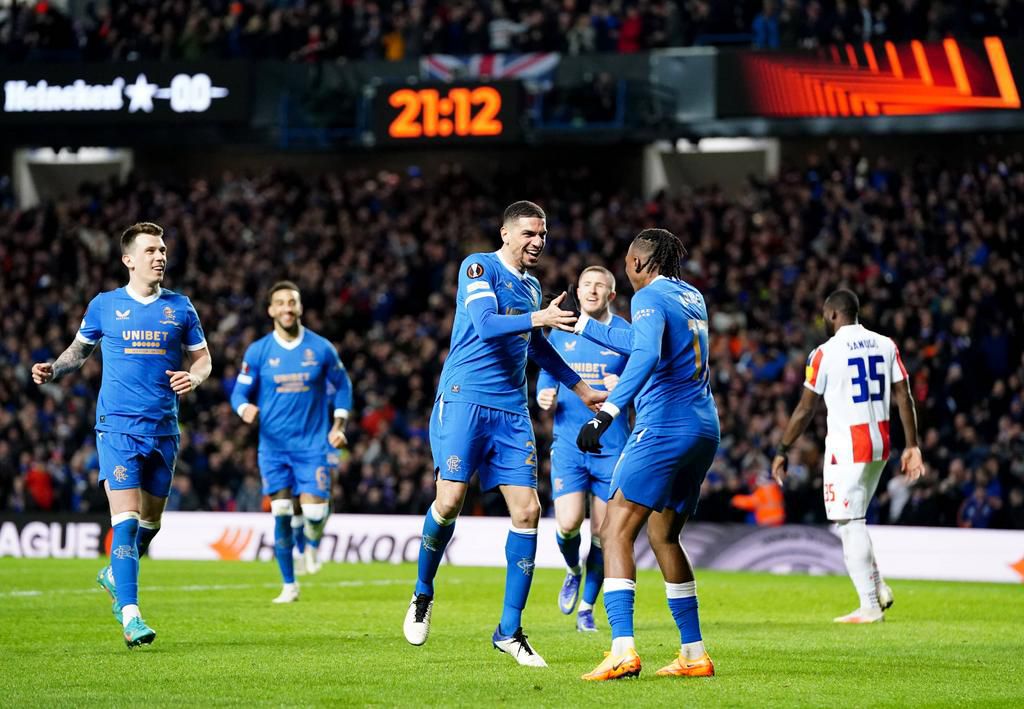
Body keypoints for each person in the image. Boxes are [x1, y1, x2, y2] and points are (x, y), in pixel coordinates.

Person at [402, 200, 606, 667]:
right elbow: (486, 324)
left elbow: (535, 347)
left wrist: (581, 387)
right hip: (464, 399)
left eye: (543, 235)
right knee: (450, 500)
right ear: (507, 233)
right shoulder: (479, 267)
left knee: (529, 511)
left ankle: (509, 631)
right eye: (530, 233)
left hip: (511, 411)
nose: (538, 242)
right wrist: (539, 319)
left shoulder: (532, 287)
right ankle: (422, 592)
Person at [32, 222, 211, 648]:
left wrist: (195, 378)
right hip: (117, 429)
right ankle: (131, 615)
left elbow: (203, 359)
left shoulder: (181, 307)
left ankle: (114, 574)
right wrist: (54, 367)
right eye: (151, 250)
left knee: (151, 523)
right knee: (126, 523)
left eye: (163, 249)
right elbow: (80, 350)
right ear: (128, 259)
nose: (160, 256)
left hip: (164, 429)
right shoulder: (105, 306)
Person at [573, 228, 720, 681]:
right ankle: (694, 654)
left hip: (664, 426)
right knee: (664, 536)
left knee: (614, 527)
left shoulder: (647, 298)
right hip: (703, 427)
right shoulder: (690, 295)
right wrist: (582, 326)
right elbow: (649, 346)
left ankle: (621, 650)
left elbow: (646, 358)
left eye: (627, 261)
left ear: (639, 263)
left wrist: (608, 413)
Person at [772, 288, 925, 623]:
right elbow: (904, 396)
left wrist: (783, 448)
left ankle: (869, 604)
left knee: (849, 523)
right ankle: (879, 587)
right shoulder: (886, 344)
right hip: (880, 444)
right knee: (856, 519)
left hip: (847, 449)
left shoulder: (824, 353)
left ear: (833, 315)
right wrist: (912, 445)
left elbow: (805, 409)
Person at [231, 280, 352, 603]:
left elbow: (343, 386)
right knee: (282, 510)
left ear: (300, 308)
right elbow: (238, 393)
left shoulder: (321, 348)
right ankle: (289, 585)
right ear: (271, 310)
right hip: (273, 447)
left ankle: (311, 541)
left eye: (292, 302)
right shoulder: (258, 351)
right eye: (280, 303)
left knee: (314, 516)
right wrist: (245, 409)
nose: (287, 308)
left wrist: (339, 424)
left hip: (313, 445)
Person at [536, 265, 629, 632]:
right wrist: (545, 391)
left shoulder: (624, 332)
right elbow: (548, 367)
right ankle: (573, 570)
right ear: (578, 290)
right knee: (569, 522)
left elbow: (645, 373)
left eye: (599, 286)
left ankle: (587, 608)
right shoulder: (563, 327)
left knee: (606, 534)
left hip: (612, 447)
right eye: (586, 285)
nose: (591, 291)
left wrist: (623, 384)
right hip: (570, 445)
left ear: (611, 294)